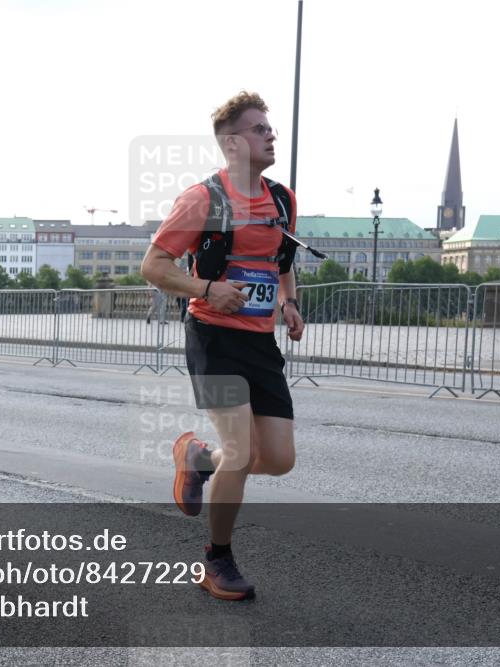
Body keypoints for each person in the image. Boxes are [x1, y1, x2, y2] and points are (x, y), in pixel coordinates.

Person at [141, 91, 304, 601]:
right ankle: (217, 559)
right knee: (241, 452)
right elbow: (153, 267)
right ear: (232, 143)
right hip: (212, 338)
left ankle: (198, 458)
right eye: (259, 129)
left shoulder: (283, 199)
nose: (271, 135)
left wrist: (290, 302)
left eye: (269, 127)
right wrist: (207, 288)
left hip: (260, 343)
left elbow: (281, 260)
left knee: (278, 458)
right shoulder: (202, 200)